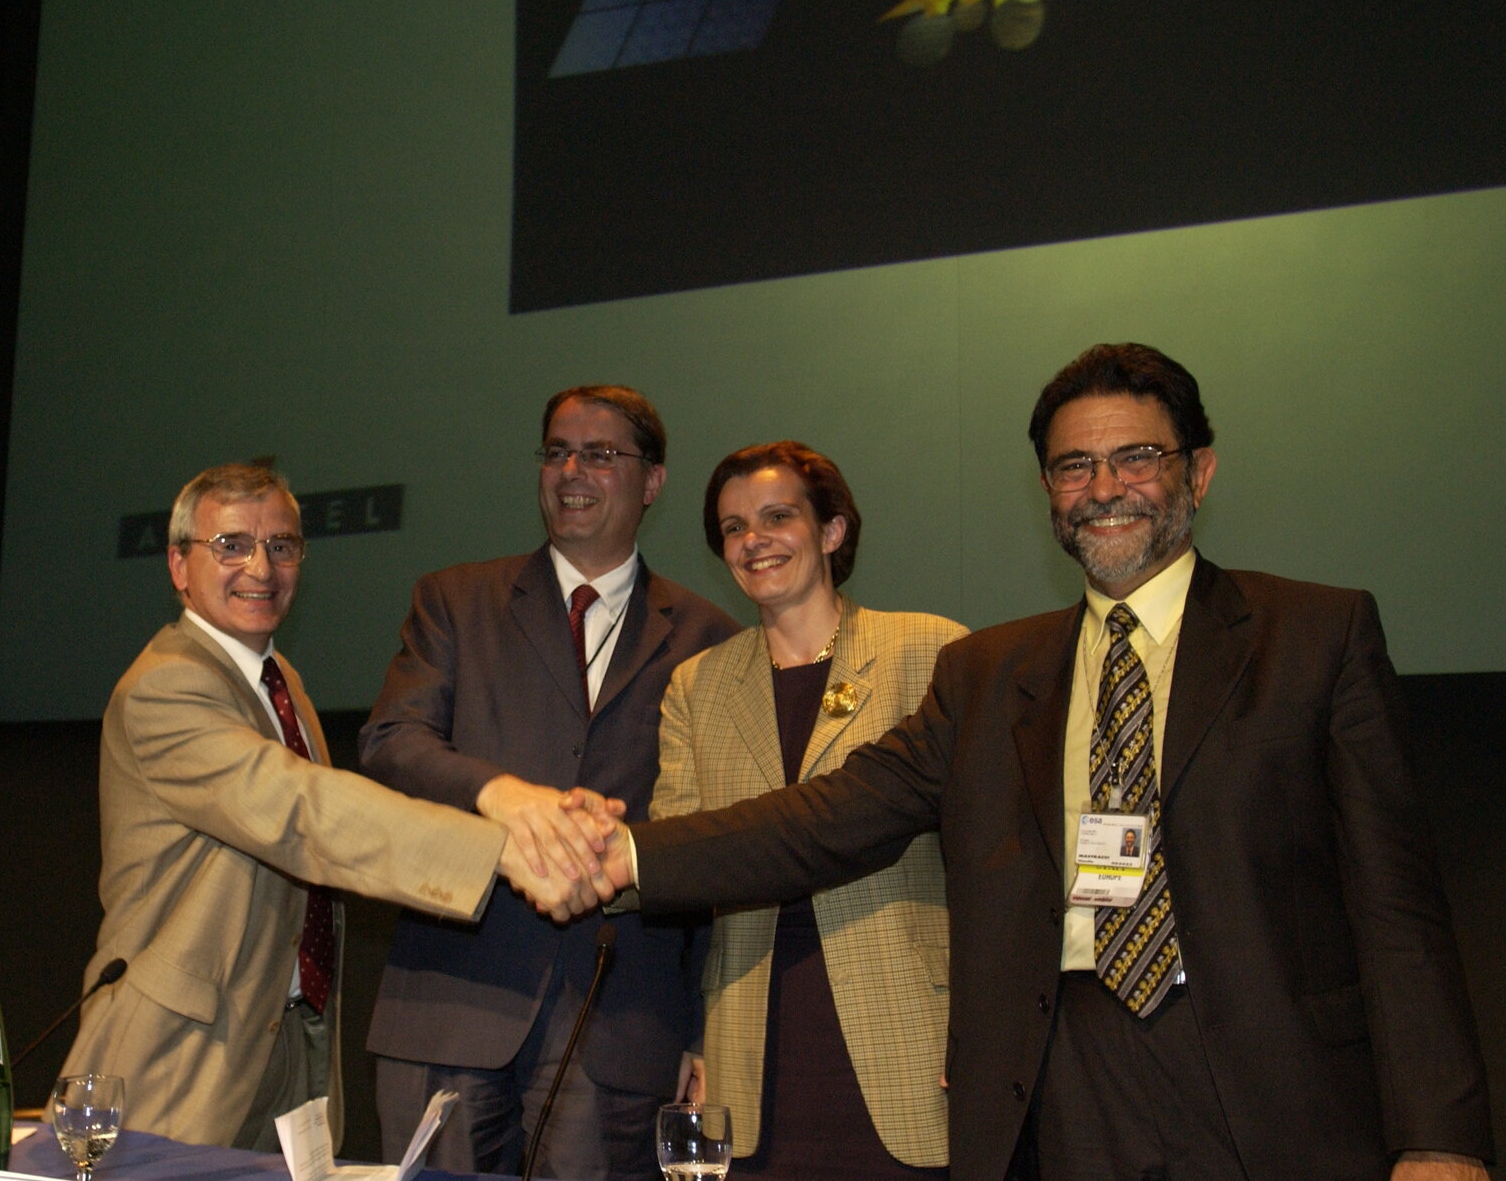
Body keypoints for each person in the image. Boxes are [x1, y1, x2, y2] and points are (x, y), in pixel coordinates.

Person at [589, 346, 1492, 1180]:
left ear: (1200, 472)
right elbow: (830, 815)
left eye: (1136, 457)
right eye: (1074, 467)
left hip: (1271, 1089)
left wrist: (1441, 1136)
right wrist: (625, 854)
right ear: (1048, 493)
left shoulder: (1316, 635)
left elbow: (1399, 910)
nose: (1104, 487)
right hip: (1063, 1085)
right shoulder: (988, 674)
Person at [60, 464, 608, 1152]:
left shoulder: (278, 678)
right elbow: (302, 812)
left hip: (288, 1040)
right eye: (231, 544)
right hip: (181, 1056)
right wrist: (501, 844)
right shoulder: (165, 685)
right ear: (178, 563)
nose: (261, 566)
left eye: (283, 545)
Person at [356, 385, 740, 1181]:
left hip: (621, 1019)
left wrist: (706, 1030)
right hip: (450, 999)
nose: (572, 470)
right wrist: (507, 794)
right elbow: (393, 741)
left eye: (600, 453)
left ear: (654, 480)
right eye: (557, 450)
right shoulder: (455, 600)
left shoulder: (711, 636)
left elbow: (718, 847)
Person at [652, 442, 966, 1179]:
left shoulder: (931, 651)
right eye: (732, 528)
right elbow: (679, 864)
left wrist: (985, 1021)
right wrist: (698, 1037)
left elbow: (991, 861)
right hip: (752, 1051)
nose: (752, 540)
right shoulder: (696, 687)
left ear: (831, 530)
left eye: (776, 516)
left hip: (911, 1035)